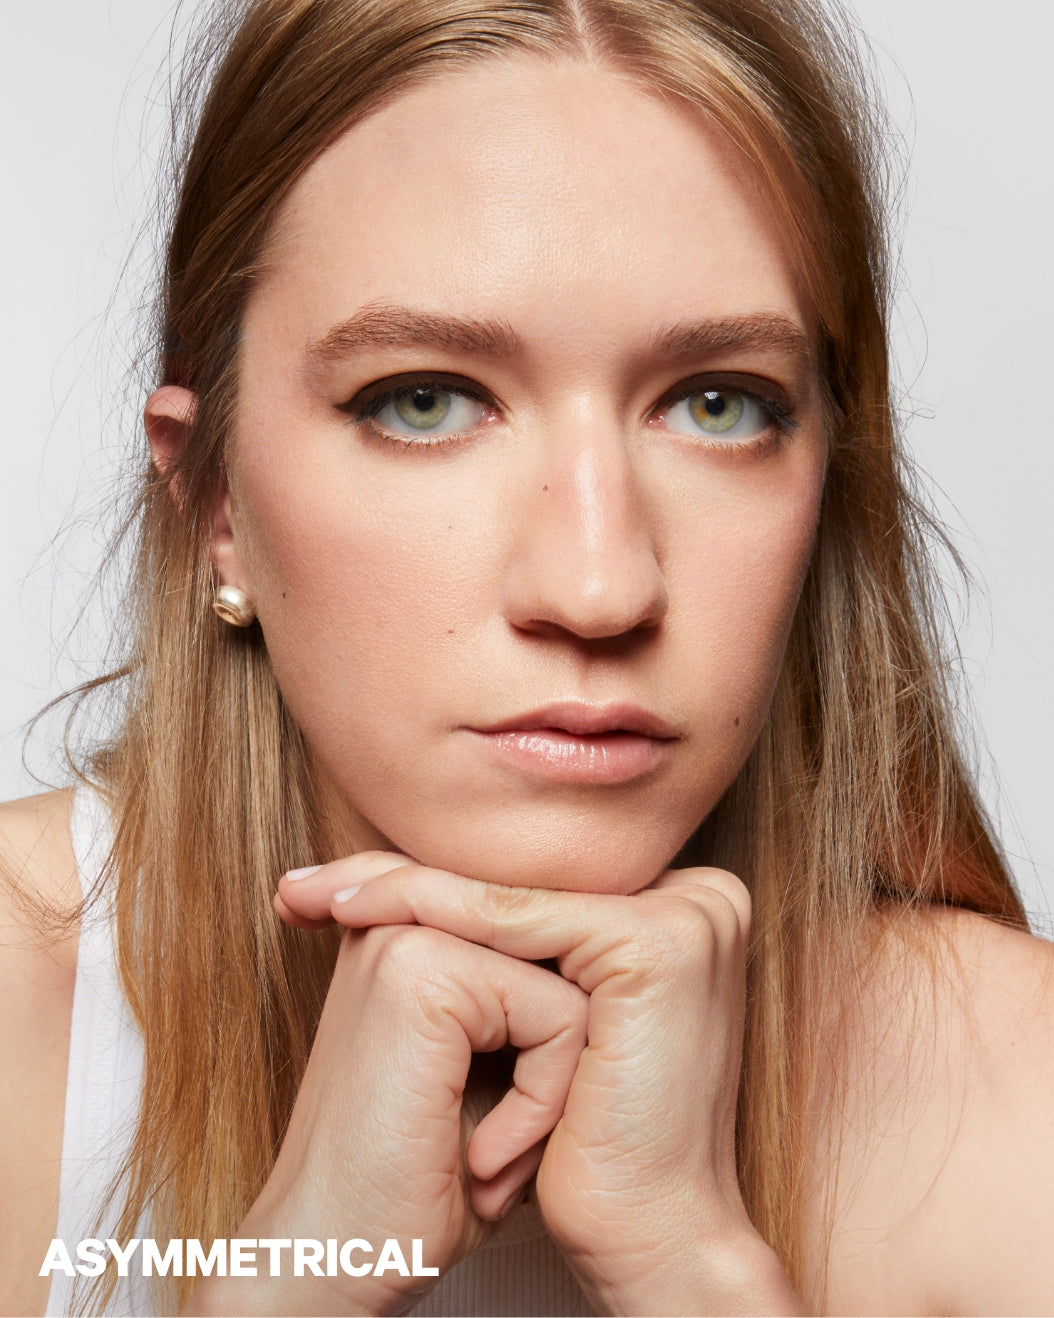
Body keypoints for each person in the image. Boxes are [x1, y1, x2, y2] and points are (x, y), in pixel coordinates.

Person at [1, 0, 1052, 1314]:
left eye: (717, 404)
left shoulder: (1022, 1095)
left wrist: (692, 1268)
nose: (599, 585)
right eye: (423, 399)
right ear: (214, 507)